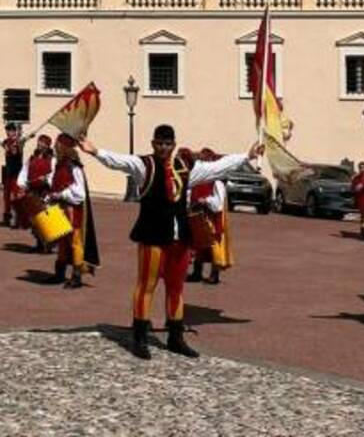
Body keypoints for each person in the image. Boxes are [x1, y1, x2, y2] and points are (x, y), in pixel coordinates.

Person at [79, 126, 262, 361]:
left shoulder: (185, 168)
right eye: (159, 143)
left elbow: (215, 168)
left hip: (180, 239)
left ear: (174, 145)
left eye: (168, 144)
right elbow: (119, 161)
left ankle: (176, 337)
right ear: (153, 143)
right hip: (152, 236)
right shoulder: (144, 165)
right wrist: (95, 151)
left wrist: (246, 156)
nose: (163, 148)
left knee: (176, 288)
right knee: (147, 285)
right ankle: (140, 337)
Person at [44, 134, 100, 288]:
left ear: (64, 147)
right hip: (59, 208)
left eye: (57, 144)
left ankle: (76, 277)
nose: (55, 147)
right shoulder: (59, 165)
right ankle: (59, 273)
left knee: (75, 242)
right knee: (62, 242)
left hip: (71, 210)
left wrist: (61, 194)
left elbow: (79, 193)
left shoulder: (74, 167)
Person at [187, 149, 233, 285]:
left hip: (212, 218)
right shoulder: (197, 178)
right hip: (199, 216)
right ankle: (197, 272)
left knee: (214, 245)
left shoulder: (217, 182)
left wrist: (206, 200)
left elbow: (218, 203)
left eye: (204, 161)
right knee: (199, 244)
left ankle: (214, 274)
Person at [15, 135, 55, 252]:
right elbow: (24, 171)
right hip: (32, 192)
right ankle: (39, 243)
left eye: (43, 143)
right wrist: (22, 185)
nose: (40, 144)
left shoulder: (52, 160)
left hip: (45, 192)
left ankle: (47, 245)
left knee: (45, 219)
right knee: (34, 220)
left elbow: (54, 174)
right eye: (39, 142)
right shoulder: (32, 158)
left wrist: (46, 179)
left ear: (48, 146)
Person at [352, 161, 364, 240]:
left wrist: (361, 185)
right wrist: (356, 188)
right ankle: (363, 233)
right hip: (361, 200)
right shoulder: (356, 177)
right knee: (363, 217)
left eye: (363, 167)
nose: (362, 169)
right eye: (361, 168)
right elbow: (353, 187)